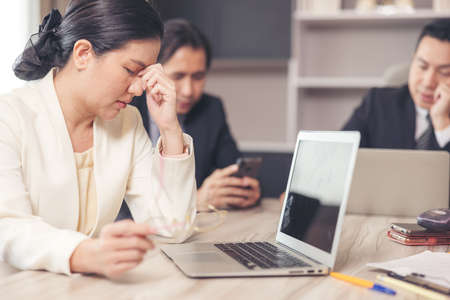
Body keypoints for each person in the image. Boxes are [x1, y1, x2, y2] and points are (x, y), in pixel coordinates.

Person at [0, 0, 197, 278]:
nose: (140, 88)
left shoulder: (127, 122)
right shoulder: (8, 117)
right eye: (131, 70)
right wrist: (84, 254)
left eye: (144, 75)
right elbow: (7, 225)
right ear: (83, 54)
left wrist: (169, 128)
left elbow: (173, 227)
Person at [130, 19, 261, 211]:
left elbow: (234, 167)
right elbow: (121, 204)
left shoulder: (210, 109)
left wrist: (247, 189)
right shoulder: (127, 107)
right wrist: (195, 201)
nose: (189, 91)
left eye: (198, 77)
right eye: (178, 76)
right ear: (153, 71)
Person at [342, 19, 450, 153]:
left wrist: (443, 125)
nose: (428, 82)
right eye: (422, 66)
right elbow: (341, 155)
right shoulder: (377, 103)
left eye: (445, 72)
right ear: (412, 60)